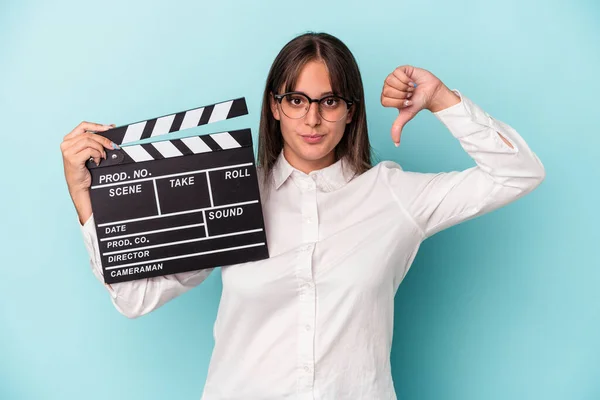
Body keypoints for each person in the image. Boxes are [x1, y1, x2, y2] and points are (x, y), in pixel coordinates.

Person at [60, 32, 545, 400]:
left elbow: (519, 173)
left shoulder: (394, 196)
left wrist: (441, 98)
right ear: (275, 107)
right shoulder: (231, 196)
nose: (312, 120)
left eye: (329, 101)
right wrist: (86, 200)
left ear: (351, 111)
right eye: (296, 100)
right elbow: (135, 298)